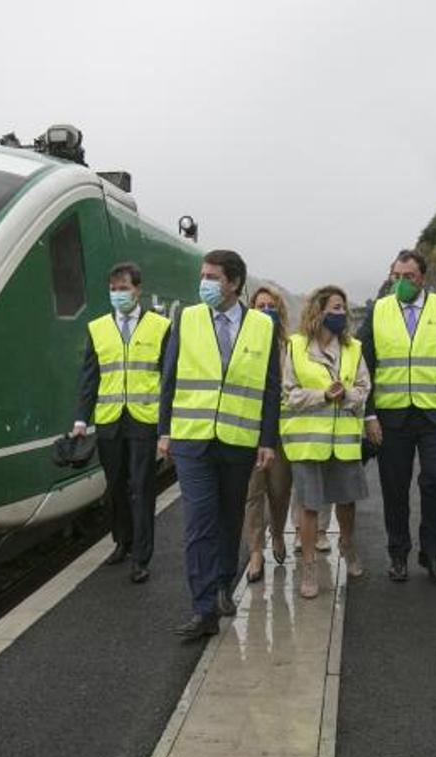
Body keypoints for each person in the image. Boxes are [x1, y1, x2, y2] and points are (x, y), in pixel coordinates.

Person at [158, 250, 281, 641]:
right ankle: (203, 608)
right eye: (203, 276)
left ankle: (224, 582)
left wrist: (267, 440)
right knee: (200, 521)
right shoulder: (187, 318)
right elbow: (169, 377)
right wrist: (164, 431)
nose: (204, 283)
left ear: (234, 283)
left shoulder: (262, 325)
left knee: (230, 518)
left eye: (212, 277)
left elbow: (271, 387)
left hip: (238, 440)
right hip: (192, 438)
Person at [358, 249, 436, 586]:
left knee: (435, 481)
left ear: (422, 278)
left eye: (408, 277)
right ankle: (398, 554)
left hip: (435, 415)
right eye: (396, 277)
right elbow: (362, 365)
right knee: (394, 489)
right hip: (391, 416)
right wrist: (369, 414)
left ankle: (433, 554)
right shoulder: (379, 310)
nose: (402, 283)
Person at [72, 261, 170, 583]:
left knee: (141, 488)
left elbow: (168, 378)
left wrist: (166, 427)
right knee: (115, 487)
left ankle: (141, 557)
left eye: (124, 288)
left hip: (144, 420)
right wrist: (81, 419)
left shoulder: (160, 326)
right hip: (109, 421)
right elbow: (90, 378)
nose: (118, 294)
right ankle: (122, 542)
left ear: (138, 290)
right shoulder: (97, 328)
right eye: (113, 289)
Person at [283, 285, 371, 598]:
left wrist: (346, 395)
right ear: (318, 312)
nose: (341, 314)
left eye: (343, 308)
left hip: (343, 442)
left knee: (346, 502)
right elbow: (289, 394)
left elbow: (364, 389)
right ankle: (309, 566)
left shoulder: (354, 348)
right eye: (335, 308)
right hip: (307, 442)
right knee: (309, 505)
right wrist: (322, 395)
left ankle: (347, 545)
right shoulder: (295, 346)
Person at [242, 286, 293, 582]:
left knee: (279, 491)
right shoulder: (244, 342)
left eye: (270, 306)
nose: (265, 311)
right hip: (250, 427)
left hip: (282, 431)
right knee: (252, 493)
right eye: (260, 306)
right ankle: (256, 551)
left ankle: (278, 533)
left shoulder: (290, 346)